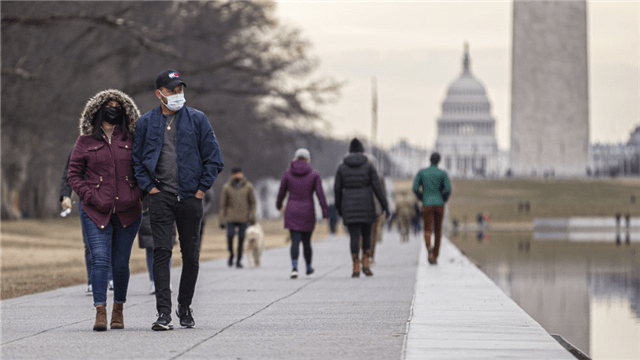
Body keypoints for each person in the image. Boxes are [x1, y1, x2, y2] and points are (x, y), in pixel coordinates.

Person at [132, 69, 224, 331]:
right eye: (172, 90)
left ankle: (184, 306)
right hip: (160, 198)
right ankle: (163, 314)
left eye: (180, 89)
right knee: (161, 252)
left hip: (190, 199)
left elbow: (214, 159)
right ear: (159, 93)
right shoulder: (146, 122)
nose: (177, 94)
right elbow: (137, 161)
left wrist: (200, 191)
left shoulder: (198, 120)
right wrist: (150, 188)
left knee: (191, 256)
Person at [67, 89, 143, 331]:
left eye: (117, 106)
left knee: (120, 263)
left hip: (128, 210)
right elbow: (73, 175)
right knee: (100, 259)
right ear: (98, 111)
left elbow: (145, 170)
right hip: (94, 210)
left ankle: (118, 309)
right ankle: (100, 310)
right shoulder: (85, 141)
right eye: (108, 105)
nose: (113, 109)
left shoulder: (133, 139)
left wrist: (135, 193)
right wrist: (90, 195)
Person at [60, 151, 114, 295]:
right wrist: (66, 195)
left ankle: (111, 278)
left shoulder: (112, 143)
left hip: (111, 197)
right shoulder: (79, 147)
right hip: (87, 199)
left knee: (111, 239)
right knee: (90, 242)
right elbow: (69, 172)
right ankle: (92, 281)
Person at [334, 138, 389, 278]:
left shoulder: (342, 167)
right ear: (362, 151)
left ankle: (355, 265)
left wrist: (339, 207)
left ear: (350, 151)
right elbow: (377, 187)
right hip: (366, 204)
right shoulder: (368, 166)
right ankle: (365, 262)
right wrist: (385, 206)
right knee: (367, 234)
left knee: (354, 236)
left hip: (349, 204)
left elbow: (337, 189)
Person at [276, 148, 329, 278]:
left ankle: (294, 268)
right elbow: (320, 195)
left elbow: (281, 192)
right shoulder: (314, 175)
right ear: (308, 159)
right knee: (307, 242)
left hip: (292, 210)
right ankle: (308, 267)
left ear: (295, 158)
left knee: (294, 241)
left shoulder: (287, 174)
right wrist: (325, 212)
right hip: (308, 211)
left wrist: (279, 205)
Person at [413, 152, 452, 265]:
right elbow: (448, 189)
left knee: (427, 229)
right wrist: (443, 199)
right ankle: (435, 255)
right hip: (439, 204)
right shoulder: (443, 173)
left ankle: (429, 249)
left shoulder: (422, 172)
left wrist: (421, 197)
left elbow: (415, 188)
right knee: (438, 230)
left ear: (429, 160)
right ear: (439, 161)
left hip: (426, 203)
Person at [137, 194, 176, 295]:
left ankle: (165, 279)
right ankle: (154, 280)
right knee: (150, 247)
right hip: (148, 208)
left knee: (166, 247)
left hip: (167, 206)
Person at [219, 167, 257, 269]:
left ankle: (239, 260)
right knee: (230, 236)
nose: (237, 176)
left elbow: (253, 203)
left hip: (244, 218)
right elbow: (223, 205)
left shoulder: (248, 187)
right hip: (231, 217)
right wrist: (222, 220)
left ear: (242, 174)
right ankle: (231, 254)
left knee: (241, 239)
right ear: (232, 175)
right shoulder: (227, 187)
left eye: (239, 173)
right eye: (235, 174)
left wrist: (252, 216)